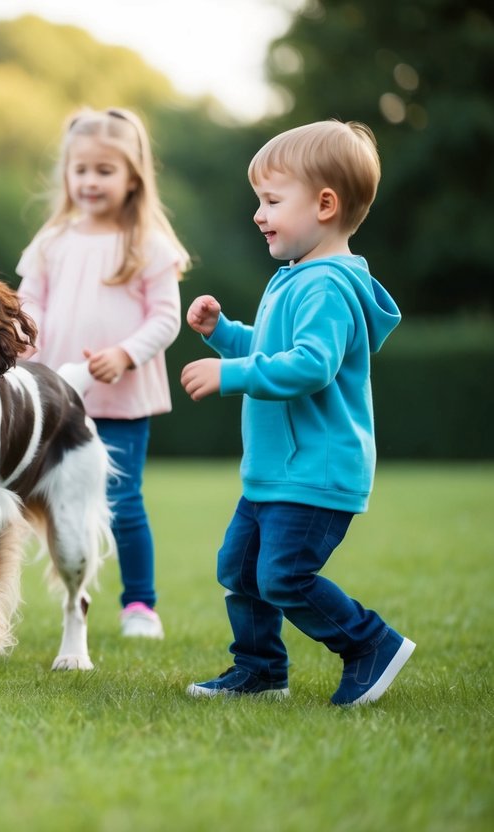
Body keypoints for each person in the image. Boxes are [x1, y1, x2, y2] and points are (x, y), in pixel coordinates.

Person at [181, 120, 413, 706]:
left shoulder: (327, 286)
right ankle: (260, 670)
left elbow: (310, 365)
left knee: (282, 576)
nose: (259, 214)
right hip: (276, 472)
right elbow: (273, 349)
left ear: (325, 204)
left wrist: (229, 374)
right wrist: (225, 334)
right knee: (239, 568)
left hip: (315, 471)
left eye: (272, 200)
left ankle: (370, 644)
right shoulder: (295, 279)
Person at [16, 107, 190, 639]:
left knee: (122, 501)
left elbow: (165, 317)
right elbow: (29, 303)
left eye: (105, 171)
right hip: (53, 397)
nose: (90, 181)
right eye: (81, 170)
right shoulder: (52, 241)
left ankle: (140, 604)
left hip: (121, 400)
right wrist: (27, 340)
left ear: (133, 176)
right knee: (24, 497)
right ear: (66, 174)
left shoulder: (149, 245)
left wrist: (126, 354)